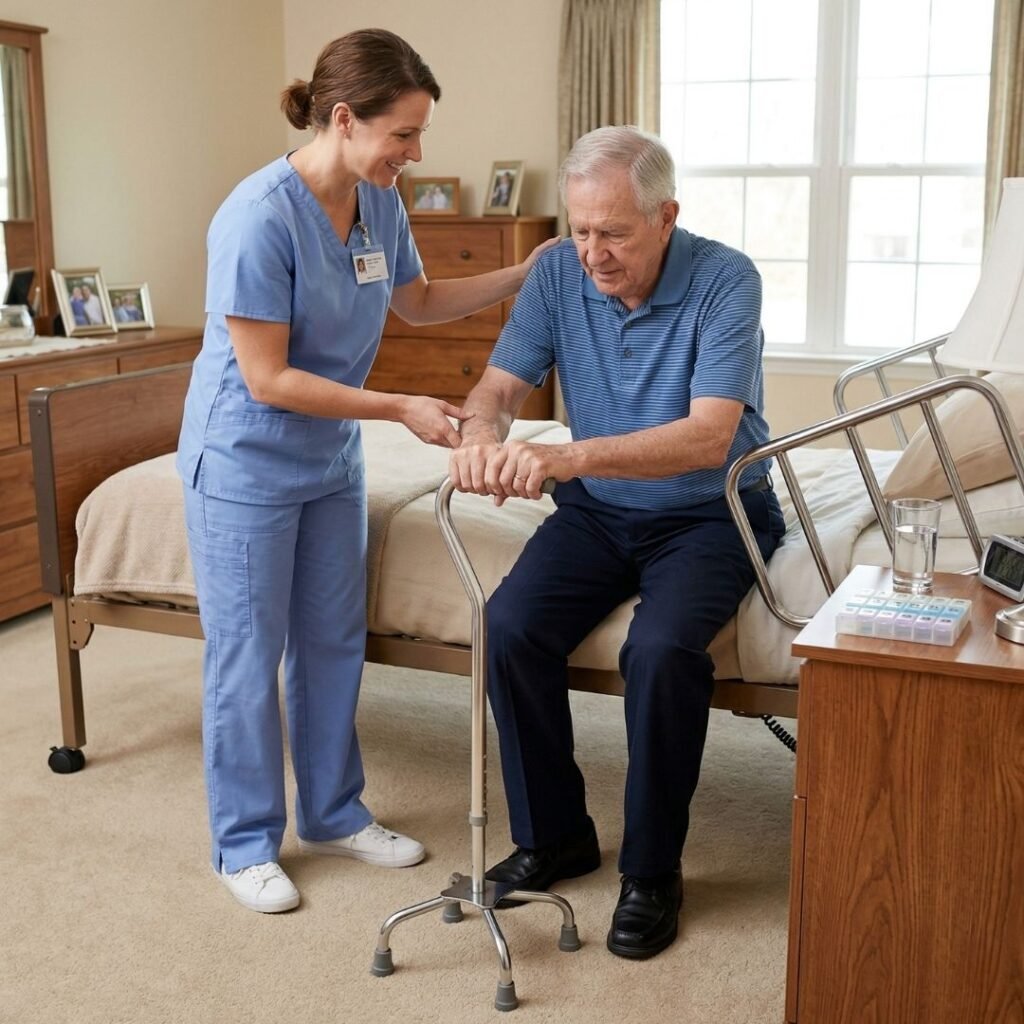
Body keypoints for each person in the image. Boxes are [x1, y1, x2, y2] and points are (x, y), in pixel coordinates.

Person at [176, 28, 557, 915]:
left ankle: (336, 813)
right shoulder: (257, 216)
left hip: (328, 461)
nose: (415, 155)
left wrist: (522, 273)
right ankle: (242, 845)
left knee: (332, 642)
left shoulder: (377, 200)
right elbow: (267, 377)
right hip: (245, 463)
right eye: (403, 135)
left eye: (419, 136)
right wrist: (398, 407)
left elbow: (416, 301)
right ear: (344, 119)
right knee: (246, 658)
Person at [448, 125, 785, 959]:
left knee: (662, 651)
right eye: (581, 230)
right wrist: (479, 431)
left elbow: (710, 437)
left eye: (615, 234)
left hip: (711, 511)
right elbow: (498, 383)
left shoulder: (726, 280)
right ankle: (556, 836)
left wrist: (565, 456)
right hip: (600, 512)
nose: (593, 253)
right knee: (510, 628)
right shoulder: (560, 272)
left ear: (666, 216)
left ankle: (652, 871)